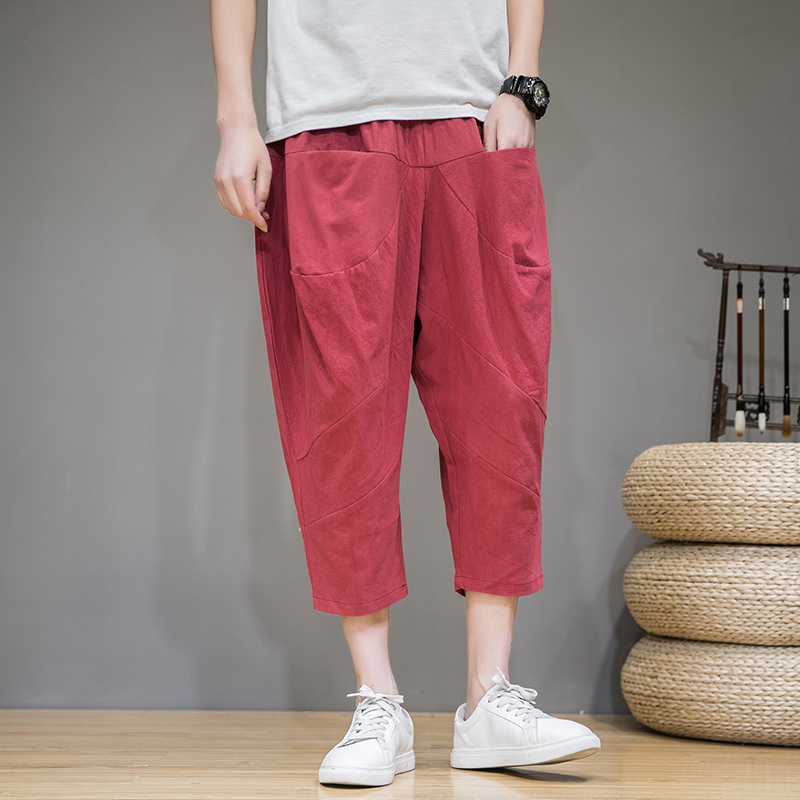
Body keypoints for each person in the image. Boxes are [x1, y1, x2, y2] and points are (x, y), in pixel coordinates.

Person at [211, 0, 601, 787]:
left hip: (470, 116)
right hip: (327, 119)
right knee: (343, 413)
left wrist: (522, 81)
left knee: (501, 401)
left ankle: (490, 696)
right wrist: (236, 119)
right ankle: (377, 701)